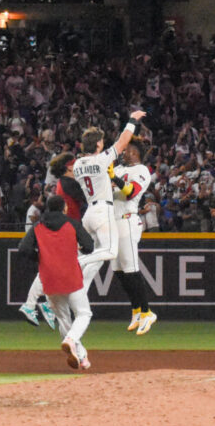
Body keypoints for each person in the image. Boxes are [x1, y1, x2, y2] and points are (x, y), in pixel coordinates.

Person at [17, 195, 95, 369]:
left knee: (64, 320)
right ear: (64, 208)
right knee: (84, 314)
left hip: (49, 280)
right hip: (71, 277)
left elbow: (23, 249)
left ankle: (81, 357)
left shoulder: (38, 226)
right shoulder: (72, 224)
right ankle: (71, 340)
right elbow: (89, 246)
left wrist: (38, 257)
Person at [72, 110, 146, 289]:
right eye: (101, 141)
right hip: (102, 213)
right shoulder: (101, 161)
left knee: (96, 263)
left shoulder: (76, 164)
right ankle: (78, 262)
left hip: (88, 213)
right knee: (110, 252)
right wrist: (132, 120)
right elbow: (122, 141)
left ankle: (76, 295)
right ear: (98, 144)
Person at [19, 152, 83, 330]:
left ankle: (44, 303)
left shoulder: (64, 182)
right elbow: (85, 195)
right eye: (75, 164)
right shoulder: (67, 182)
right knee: (54, 268)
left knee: (55, 269)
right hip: (64, 231)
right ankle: (32, 304)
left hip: (64, 229)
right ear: (69, 166)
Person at [109, 137, 156, 334]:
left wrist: (113, 177)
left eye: (127, 149)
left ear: (135, 152)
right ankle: (136, 309)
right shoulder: (119, 169)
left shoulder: (142, 170)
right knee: (118, 269)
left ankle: (147, 313)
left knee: (131, 268)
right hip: (113, 221)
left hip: (128, 220)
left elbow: (130, 192)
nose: (124, 152)